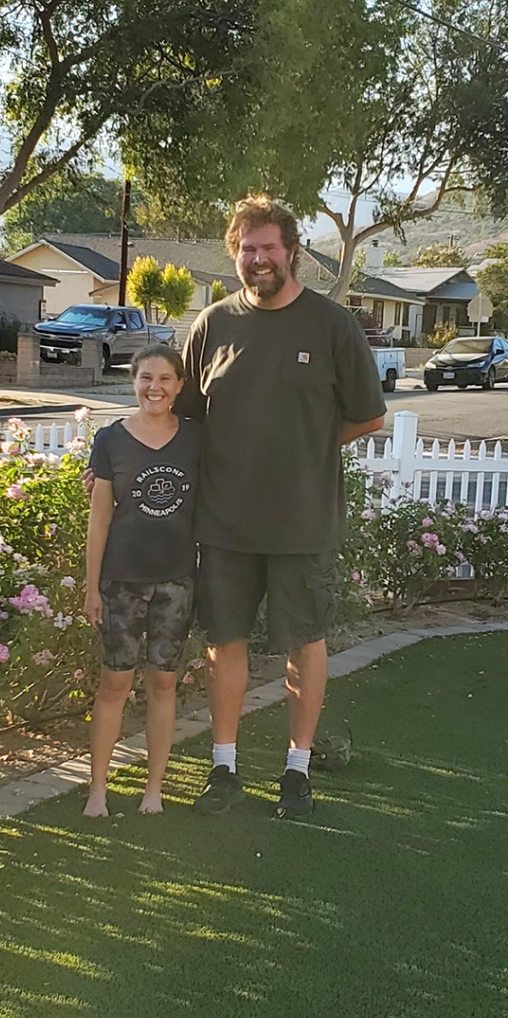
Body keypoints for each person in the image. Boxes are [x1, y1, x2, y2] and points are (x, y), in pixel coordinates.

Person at [182, 195, 386, 817]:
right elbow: (185, 416)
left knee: (305, 642)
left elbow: (369, 415)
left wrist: (307, 447)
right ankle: (224, 768)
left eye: (270, 247)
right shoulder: (212, 324)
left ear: (291, 251)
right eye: (248, 248)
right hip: (222, 521)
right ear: (233, 253)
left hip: (303, 520)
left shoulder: (331, 325)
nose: (259, 259)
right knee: (225, 640)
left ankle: (297, 771)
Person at [83, 344, 201, 817]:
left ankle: (154, 790)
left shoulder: (196, 438)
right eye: (145, 378)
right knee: (114, 682)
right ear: (133, 382)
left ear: (179, 387)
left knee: (164, 684)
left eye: (165, 379)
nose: (155, 387)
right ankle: (97, 790)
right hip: (120, 582)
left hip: (177, 580)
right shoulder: (109, 441)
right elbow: (99, 521)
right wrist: (92, 587)